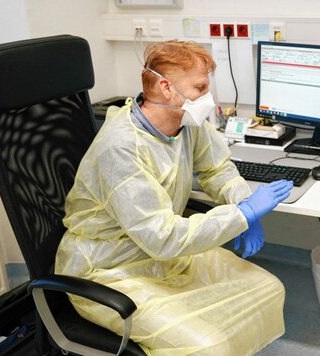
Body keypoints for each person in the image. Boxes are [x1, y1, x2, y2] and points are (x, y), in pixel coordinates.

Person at [55, 40, 293, 355]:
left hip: (161, 256)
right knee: (209, 346)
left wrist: (244, 208)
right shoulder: (121, 148)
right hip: (108, 270)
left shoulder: (184, 120)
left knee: (268, 290)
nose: (208, 98)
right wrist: (241, 215)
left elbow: (217, 169)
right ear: (167, 89)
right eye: (200, 87)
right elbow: (163, 238)